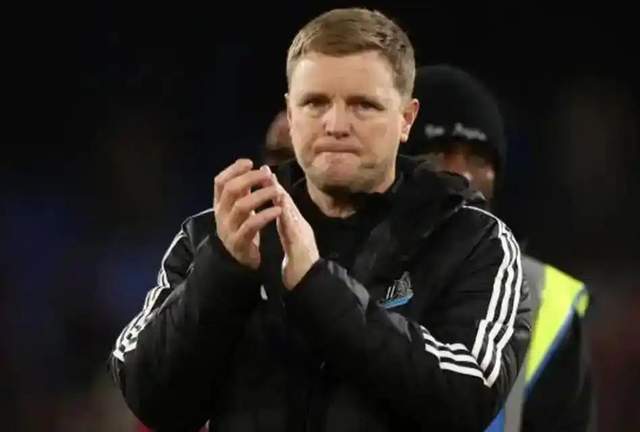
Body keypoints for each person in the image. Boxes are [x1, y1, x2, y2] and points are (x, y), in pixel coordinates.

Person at [108, 8, 531, 431]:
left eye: (363, 105)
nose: (336, 124)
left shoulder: (472, 240)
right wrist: (223, 270)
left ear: (406, 119)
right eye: (315, 103)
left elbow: (468, 396)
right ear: (290, 115)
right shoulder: (220, 232)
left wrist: (316, 286)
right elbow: (150, 397)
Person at [405, 64, 591, 431]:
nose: (463, 174)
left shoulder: (547, 301)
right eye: (440, 152)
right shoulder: (342, 269)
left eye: (478, 157)